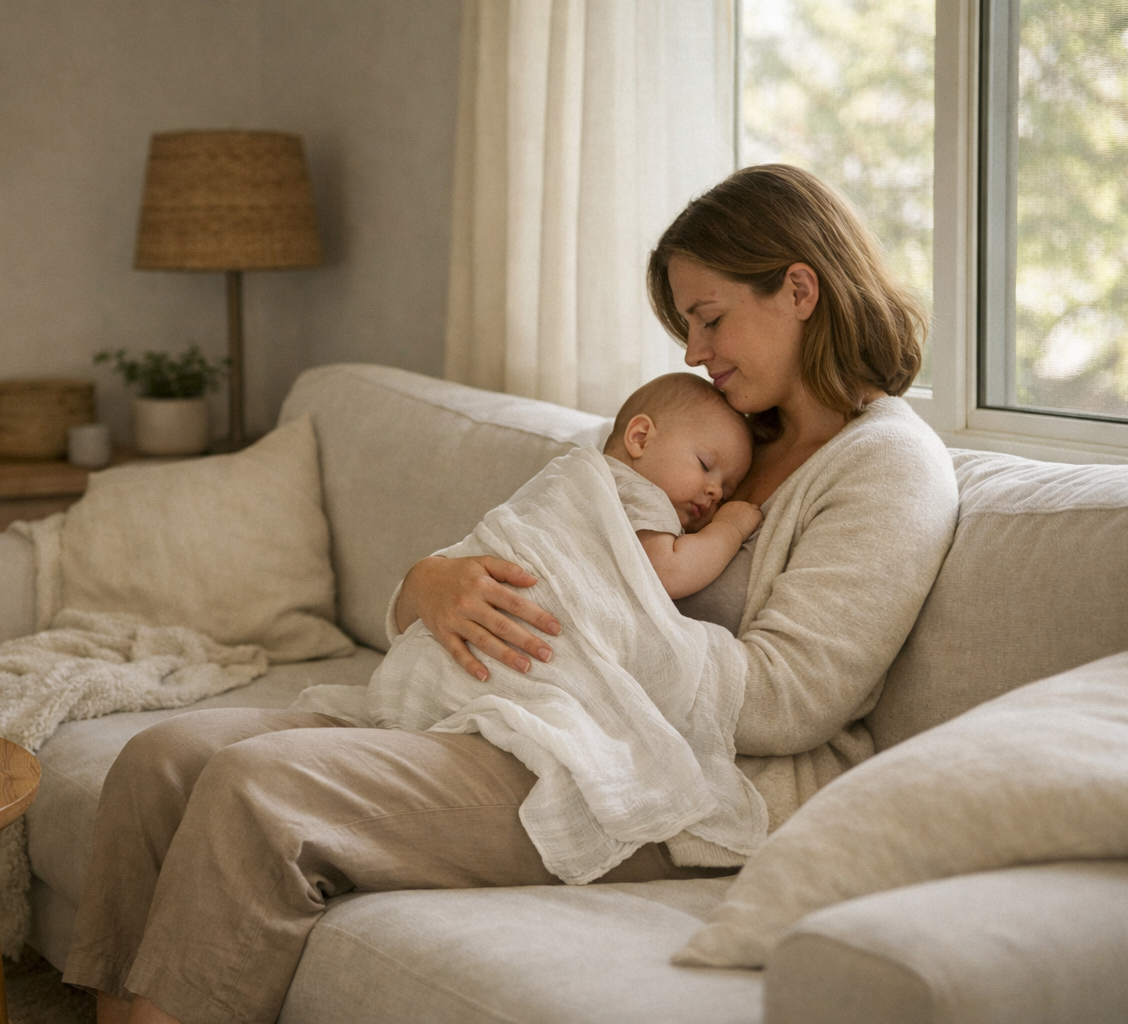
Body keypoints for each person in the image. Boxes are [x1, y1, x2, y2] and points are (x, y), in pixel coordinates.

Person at [62, 163, 960, 1024]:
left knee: (262, 790)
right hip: (528, 706)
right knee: (162, 759)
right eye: (687, 326)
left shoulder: (888, 467)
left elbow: (788, 703)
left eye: (710, 318)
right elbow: (546, 539)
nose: (693, 350)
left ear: (799, 290)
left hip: (658, 770)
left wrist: (592, 634)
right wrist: (429, 585)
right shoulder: (720, 431)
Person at [602, 372, 763, 599]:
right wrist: (729, 528)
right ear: (640, 438)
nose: (716, 493)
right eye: (705, 465)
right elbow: (668, 574)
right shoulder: (639, 491)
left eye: (725, 495)